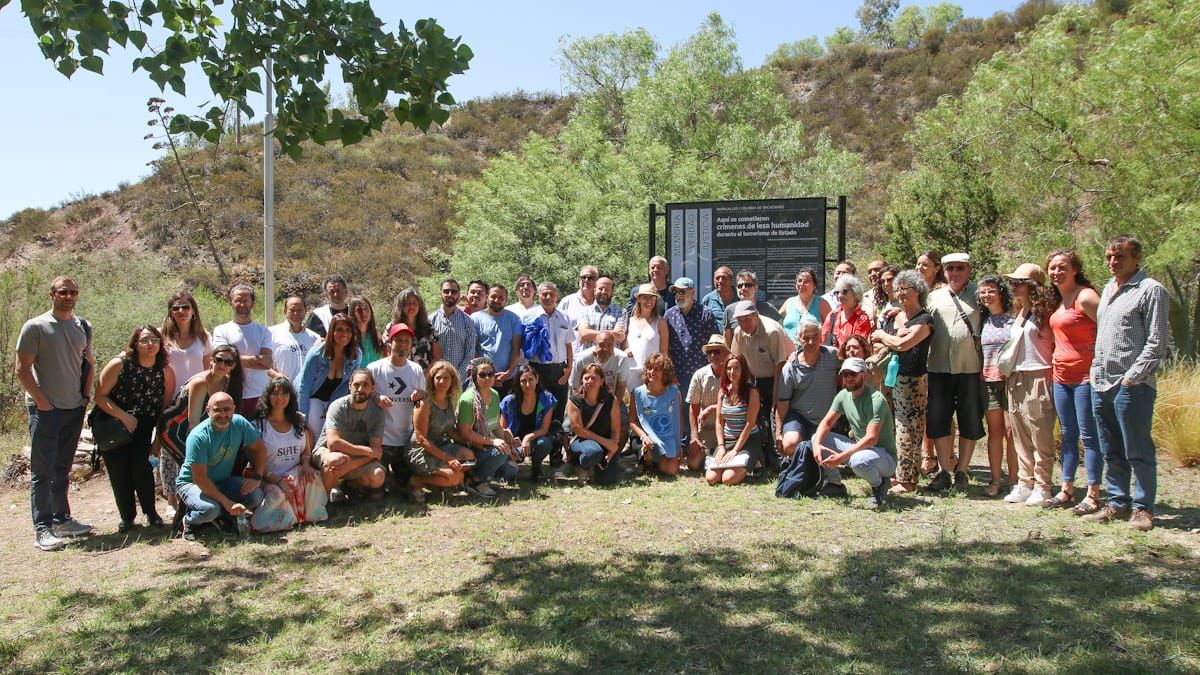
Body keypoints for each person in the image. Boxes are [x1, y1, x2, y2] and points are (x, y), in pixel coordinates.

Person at [1083, 235, 1170, 531]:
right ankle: (1117, 503)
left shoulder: (1151, 290)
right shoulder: (1108, 289)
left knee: (1138, 449)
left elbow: (1157, 342)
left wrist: (1133, 377)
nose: (1112, 262)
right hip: (1102, 381)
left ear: (1136, 258)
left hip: (1132, 384)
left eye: (1119, 257)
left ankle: (1143, 508)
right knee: (1111, 449)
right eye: (1109, 257)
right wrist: (1095, 372)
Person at [16, 276, 94, 550]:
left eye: (73, 291)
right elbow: (22, 369)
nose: (69, 296)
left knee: (62, 467)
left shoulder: (82, 326)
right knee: (42, 471)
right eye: (63, 292)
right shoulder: (35, 327)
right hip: (45, 410)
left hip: (73, 407)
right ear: (52, 294)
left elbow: (89, 363)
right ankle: (43, 528)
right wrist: (42, 402)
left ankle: (62, 519)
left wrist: (85, 397)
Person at [93, 325, 174, 532]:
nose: (150, 345)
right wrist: (124, 416)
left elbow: (165, 409)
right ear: (135, 344)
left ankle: (151, 513)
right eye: (145, 340)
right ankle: (127, 518)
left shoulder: (164, 371)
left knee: (142, 469)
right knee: (119, 472)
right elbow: (100, 396)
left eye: (155, 340)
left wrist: (158, 441)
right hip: (114, 424)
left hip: (144, 427)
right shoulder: (119, 364)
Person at [1046, 249, 1103, 515]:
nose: (1056, 272)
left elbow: (1109, 329)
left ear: (1075, 269)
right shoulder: (1058, 299)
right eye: (1053, 268)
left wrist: (1098, 363)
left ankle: (1093, 493)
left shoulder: (1086, 297)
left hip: (1085, 377)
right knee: (1068, 435)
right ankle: (1066, 488)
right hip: (1061, 376)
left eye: (1062, 267)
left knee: (1089, 435)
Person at [923, 252, 984, 492]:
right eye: (950, 268)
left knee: (969, 419)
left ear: (969, 269)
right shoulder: (933, 297)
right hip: (938, 367)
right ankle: (944, 470)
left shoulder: (980, 295)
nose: (955, 273)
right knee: (938, 420)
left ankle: (963, 471)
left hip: (970, 368)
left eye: (960, 268)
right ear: (943, 271)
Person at [869, 270, 933, 495]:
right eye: (898, 289)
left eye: (905, 289)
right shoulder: (895, 316)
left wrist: (885, 337)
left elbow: (904, 344)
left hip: (912, 380)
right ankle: (894, 474)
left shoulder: (924, 319)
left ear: (918, 291)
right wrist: (890, 338)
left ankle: (907, 479)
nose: (900, 293)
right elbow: (879, 344)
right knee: (891, 425)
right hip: (891, 376)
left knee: (909, 428)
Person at [1000, 263, 1058, 507]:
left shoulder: (1046, 313)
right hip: (1017, 377)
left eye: (1019, 283)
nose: (1014, 287)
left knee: (1040, 433)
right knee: (1020, 434)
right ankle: (1025, 482)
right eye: (1012, 283)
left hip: (1039, 375)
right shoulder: (1019, 312)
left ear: (1033, 285)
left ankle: (1043, 485)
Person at [159, 344, 245, 507]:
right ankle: (173, 504)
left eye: (228, 362)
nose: (222, 365)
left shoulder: (228, 382)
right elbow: (193, 423)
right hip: (176, 428)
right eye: (219, 360)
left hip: (199, 427)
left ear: (233, 366)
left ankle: (200, 502)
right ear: (211, 359)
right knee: (183, 463)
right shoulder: (200, 383)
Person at [175, 392, 267, 541]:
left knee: (256, 495)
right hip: (192, 483)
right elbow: (200, 479)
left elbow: (260, 449)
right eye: (217, 410)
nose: (223, 414)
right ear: (208, 410)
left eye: (227, 409)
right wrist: (227, 503)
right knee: (211, 510)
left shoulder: (240, 423)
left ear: (234, 409)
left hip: (222, 481)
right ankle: (189, 521)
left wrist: (257, 476)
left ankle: (223, 516)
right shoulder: (198, 436)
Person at [810, 358, 898, 509]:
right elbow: (826, 423)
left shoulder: (876, 399)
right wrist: (817, 446)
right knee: (816, 438)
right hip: (861, 449)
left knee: (858, 460)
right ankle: (835, 484)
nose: (849, 378)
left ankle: (880, 485)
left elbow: (871, 439)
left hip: (885, 456)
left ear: (864, 375)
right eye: (845, 374)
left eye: (853, 374)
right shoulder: (843, 396)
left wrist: (841, 457)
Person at [248, 377, 327, 532]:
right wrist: (279, 481)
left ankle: (305, 516)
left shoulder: (298, 420)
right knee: (277, 495)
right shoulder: (258, 426)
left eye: (285, 393)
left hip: (295, 474)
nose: (280, 398)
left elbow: (306, 451)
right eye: (275, 393)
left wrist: (306, 465)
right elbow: (255, 463)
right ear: (267, 396)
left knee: (312, 478)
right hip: (268, 477)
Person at [728, 299, 794, 470]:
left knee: (774, 417)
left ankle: (779, 461)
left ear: (756, 316)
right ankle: (759, 459)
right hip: (753, 378)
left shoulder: (772, 331)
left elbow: (780, 363)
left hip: (777, 376)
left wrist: (776, 396)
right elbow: (737, 360)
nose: (744, 324)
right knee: (754, 418)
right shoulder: (738, 332)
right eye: (740, 321)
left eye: (747, 320)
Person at [368, 323, 426, 497]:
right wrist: (376, 397)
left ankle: (396, 480)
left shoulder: (416, 369)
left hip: (405, 439)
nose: (402, 345)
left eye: (407, 341)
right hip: (382, 439)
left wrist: (421, 394)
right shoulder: (375, 368)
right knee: (376, 493)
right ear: (389, 343)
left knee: (404, 487)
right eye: (398, 340)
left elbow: (424, 396)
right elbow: (364, 394)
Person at [312, 369, 388, 501]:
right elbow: (334, 444)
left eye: (365, 385)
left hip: (354, 457)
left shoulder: (377, 413)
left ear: (372, 388)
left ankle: (348, 486)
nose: (360, 389)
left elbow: (376, 452)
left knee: (378, 475)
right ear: (350, 386)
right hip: (327, 452)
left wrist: (352, 464)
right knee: (336, 460)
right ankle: (322, 504)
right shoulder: (338, 406)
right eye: (356, 385)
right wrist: (366, 451)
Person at [975, 275, 1019, 497]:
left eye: (990, 290)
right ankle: (995, 480)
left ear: (1000, 292)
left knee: (1012, 432)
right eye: (982, 291)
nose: (986, 295)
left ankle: (1014, 480)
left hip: (1010, 381)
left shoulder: (1014, 319)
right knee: (995, 432)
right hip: (988, 382)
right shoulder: (982, 321)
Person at [775, 319, 839, 462]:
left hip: (826, 419)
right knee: (790, 444)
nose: (811, 342)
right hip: (799, 417)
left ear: (821, 337)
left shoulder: (832, 356)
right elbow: (783, 402)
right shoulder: (790, 367)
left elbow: (852, 361)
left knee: (825, 452)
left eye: (815, 336)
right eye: (806, 338)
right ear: (799, 339)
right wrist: (778, 432)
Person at [457, 358, 520, 497]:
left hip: (485, 443)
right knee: (501, 453)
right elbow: (465, 434)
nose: (487, 378)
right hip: (470, 447)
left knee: (511, 470)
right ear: (474, 377)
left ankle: (482, 473)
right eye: (482, 375)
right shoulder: (468, 400)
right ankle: (475, 480)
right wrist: (493, 442)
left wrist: (507, 441)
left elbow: (495, 425)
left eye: (490, 374)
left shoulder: (495, 394)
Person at [409, 361, 469, 500]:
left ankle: (439, 485)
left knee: (469, 456)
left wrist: (471, 439)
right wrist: (448, 459)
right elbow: (421, 439)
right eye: (438, 378)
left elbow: (448, 430)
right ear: (431, 380)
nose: (442, 381)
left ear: (452, 381)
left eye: (446, 378)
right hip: (421, 450)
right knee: (455, 476)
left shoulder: (449, 401)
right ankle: (416, 481)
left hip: (440, 445)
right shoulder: (425, 403)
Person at [212, 284, 274, 417]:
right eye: (238, 300)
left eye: (245, 300)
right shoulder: (221, 331)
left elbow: (267, 362)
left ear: (252, 303)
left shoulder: (264, 331)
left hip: (259, 394)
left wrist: (234, 360)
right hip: (229, 393)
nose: (242, 304)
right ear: (231, 302)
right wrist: (255, 359)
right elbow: (222, 360)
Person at [296, 313, 361, 438]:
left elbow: (346, 386)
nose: (344, 334)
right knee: (314, 435)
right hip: (311, 398)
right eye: (339, 329)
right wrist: (302, 418)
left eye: (348, 330)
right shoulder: (316, 354)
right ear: (332, 331)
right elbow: (304, 387)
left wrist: (332, 406)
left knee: (333, 434)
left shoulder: (355, 355)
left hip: (334, 399)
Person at [524, 281, 574, 436]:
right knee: (539, 410)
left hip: (559, 370)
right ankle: (537, 447)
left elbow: (569, 345)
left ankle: (556, 453)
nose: (548, 297)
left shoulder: (564, 317)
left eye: (551, 294)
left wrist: (569, 369)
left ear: (556, 296)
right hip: (537, 369)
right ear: (538, 296)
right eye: (544, 294)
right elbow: (524, 345)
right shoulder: (530, 316)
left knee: (558, 411)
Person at [706, 353, 761, 487]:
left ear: (743, 370)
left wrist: (735, 450)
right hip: (727, 439)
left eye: (736, 368)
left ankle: (755, 461)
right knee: (711, 478)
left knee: (727, 479)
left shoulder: (752, 392)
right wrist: (721, 447)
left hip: (747, 440)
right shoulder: (722, 392)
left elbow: (750, 424)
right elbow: (719, 422)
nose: (732, 372)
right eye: (729, 368)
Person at [564, 363, 623, 485]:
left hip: (605, 445)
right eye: (586, 378)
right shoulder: (574, 401)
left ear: (601, 381)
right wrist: (606, 442)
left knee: (607, 481)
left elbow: (615, 431)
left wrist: (611, 451)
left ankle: (596, 466)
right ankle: (582, 466)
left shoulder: (611, 400)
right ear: (581, 381)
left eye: (594, 378)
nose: (590, 381)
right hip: (582, 442)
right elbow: (579, 430)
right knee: (593, 452)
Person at [664, 277, 718, 408]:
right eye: (675, 292)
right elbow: (666, 347)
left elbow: (714, 344)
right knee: (681, 412)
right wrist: (670, 374)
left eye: (682, 292)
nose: (678, 295)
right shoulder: (669, 315)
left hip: (702, 374)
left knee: (702, 412)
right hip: (678, 375)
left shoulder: (706, 314)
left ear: (692, 293)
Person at [499, 365, 557, 480]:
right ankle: (507, 466)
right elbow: (501, 429)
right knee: (509, 474)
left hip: (535, 437)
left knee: (544, 443)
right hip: (513, 441)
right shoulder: (509, 401)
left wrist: (527, 438)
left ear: (537, 379)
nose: (527, 384)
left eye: (530, 380)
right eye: (523, 381)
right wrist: (510, 442)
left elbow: (544, 429)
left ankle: (536, 467)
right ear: (518, 383)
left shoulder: (546, 399)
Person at [631, 352, 683, 476]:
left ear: (665, 373)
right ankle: (647, 460)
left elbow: (678, 419)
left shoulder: (675, 392)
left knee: (671, 470)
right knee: (649, 449)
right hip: (645, 436)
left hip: (668, 437)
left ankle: (657, 462)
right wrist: (643, 436)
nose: (651, 372)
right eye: (649, 368)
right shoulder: (637, 393)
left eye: (657, 369)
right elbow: (632, 421)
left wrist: (679, 444)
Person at [687, 335, 730, 471]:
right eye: (709, 352)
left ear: (726, 353)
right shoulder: (699, 375)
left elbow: (739, 405)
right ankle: (711, 454)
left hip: (729, 429)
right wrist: (694, 436)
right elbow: (693, 407)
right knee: (693, 464)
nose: (712, 355)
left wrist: (712, 408)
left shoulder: (734, 372)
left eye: (717, 351)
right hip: (707, 429)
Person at [472, 284, 522, 396]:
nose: (496, 300)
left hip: (507, 378)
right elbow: (472, 350)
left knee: (505, 413)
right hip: (482, 378)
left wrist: (508, 373)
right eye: (493, 296)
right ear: (487, 296)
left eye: (501, 298)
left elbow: (516, 349)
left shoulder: (514, 319)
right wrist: (487, 376)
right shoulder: (475, 318)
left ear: (506, 300)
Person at [161, 290, 212, 389]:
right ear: (171, 313)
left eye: (185, 307)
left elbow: (208, 370)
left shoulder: (203, 336)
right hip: (168, 396)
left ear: (193, 310)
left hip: (196, 396)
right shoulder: (161, 335)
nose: (181, 311)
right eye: (176, 308)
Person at [430, 278, 478, 381]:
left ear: (459, 295)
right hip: (436, 380)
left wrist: (456, 376)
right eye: (446, 291)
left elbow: (470, 352)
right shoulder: (430, 320)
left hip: (459, 381)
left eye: (454, 292)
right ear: (440, 294)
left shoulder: (467, 321)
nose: (450, 294)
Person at [626, 283, 669, 390]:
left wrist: (660, 372)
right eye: (645, 297)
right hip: (631, 371)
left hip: (652, 372)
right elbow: (623, 344)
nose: (649, 301)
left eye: (652, 297)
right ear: (639, 299)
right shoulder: (629, 321)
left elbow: (664, 352)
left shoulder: (661, 322)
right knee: (632, 404)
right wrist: (625, 349)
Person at [269, 295, 320, 382]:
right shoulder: (271, 333)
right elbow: (263, 365)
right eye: (292, 310)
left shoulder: (314, 338)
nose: (296, 313)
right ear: (285, 311)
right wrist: (277, 376)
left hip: (306, 392)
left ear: (306, 311)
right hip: (281, 390)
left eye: (299, 310)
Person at [390, 287, 441, 371]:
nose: (411, 306)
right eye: (407, 303)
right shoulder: (392, 327)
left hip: (424, 377)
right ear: (400, 306)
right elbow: (387, 354)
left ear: (420, 306)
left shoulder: (429, 328)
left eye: (415, 303)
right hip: (397, 377)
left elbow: (437, 357)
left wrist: (425, 375)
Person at [722, 270, 781, 341]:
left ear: (756, 288)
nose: (743, 288)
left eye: (748, 285)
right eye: (740, 286)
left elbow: (781, 333)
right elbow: (727, 340)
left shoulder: (769, 309)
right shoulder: (729, 310)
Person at [779, 268, 831, 341]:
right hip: (789, 350)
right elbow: (775, 321)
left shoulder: (822, 303)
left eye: (806, 281)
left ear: (814, 285)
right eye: (799, 281)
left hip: (812, 349)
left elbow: (831, 329)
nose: (802, 284)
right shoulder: (789, 302)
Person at [576, 275, 627, 351]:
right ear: (594, 290)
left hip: (612, 360)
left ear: (612, 292)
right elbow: (584, 335)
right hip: (589, 360)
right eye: (600, 289)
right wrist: (611, 333)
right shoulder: (584, 311)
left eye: (607, 289)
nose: (603, 292)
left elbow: (619, 337)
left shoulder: (621, 312)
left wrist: (591, 333)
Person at [822, 275, 872, 350]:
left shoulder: (862, 318)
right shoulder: (832, 315)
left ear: (856, 293)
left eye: (844, 292)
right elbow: (823, 342)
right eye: (837, 292)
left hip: (851, 359)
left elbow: (858, 348)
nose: (839, 296)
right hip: (830, 360)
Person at [558, 265, 598, 357]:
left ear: (596, 281)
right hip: (571, 357)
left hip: (595, 357)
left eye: (590, 278)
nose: (586, 280)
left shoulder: (601, 304)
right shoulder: (567, 302)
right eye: (583, 277)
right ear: (579, 280)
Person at [349, 295, 387, 365]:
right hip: (356, 375)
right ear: (352, 313)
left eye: (366, 308)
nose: (363, 313)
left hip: (375, 374)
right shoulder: (349, 335)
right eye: (359, 310)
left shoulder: (375, 333)